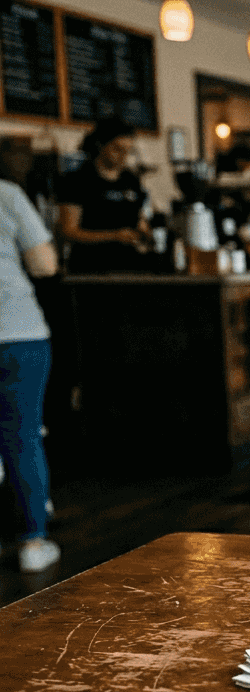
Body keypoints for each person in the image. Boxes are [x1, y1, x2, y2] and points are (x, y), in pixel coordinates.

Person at [0, 179, 61, 572]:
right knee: (22, 436)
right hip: (17, 332)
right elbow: (45, 264)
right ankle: (32, 544)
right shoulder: (7, 194)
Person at [57, 117, 150, 273]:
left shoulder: (131, 180)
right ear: (100, 145)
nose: (123, 156)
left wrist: (145, 233)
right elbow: (68, 231)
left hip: (131, 267)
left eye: (128, 151)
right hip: (91, 269)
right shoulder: (77, 180)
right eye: (117, 149)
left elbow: (139, 218)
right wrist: (114, 236)